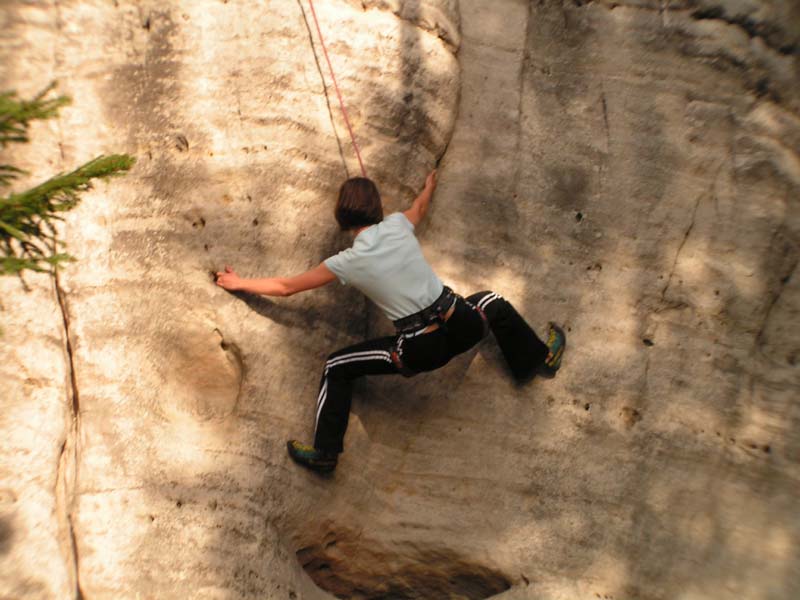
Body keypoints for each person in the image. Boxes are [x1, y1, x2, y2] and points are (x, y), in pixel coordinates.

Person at [215, 170, 565, 473]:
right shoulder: (398, 224)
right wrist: (429, 185)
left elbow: (286, 287)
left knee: (336, 365)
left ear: (341, 213)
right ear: (377, 208)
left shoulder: (347, 261)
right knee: (491, 302)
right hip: (461, 325)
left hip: (420, 350)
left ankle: (325, 453)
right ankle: (537, 359)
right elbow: (420, 208)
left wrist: (239, 282)